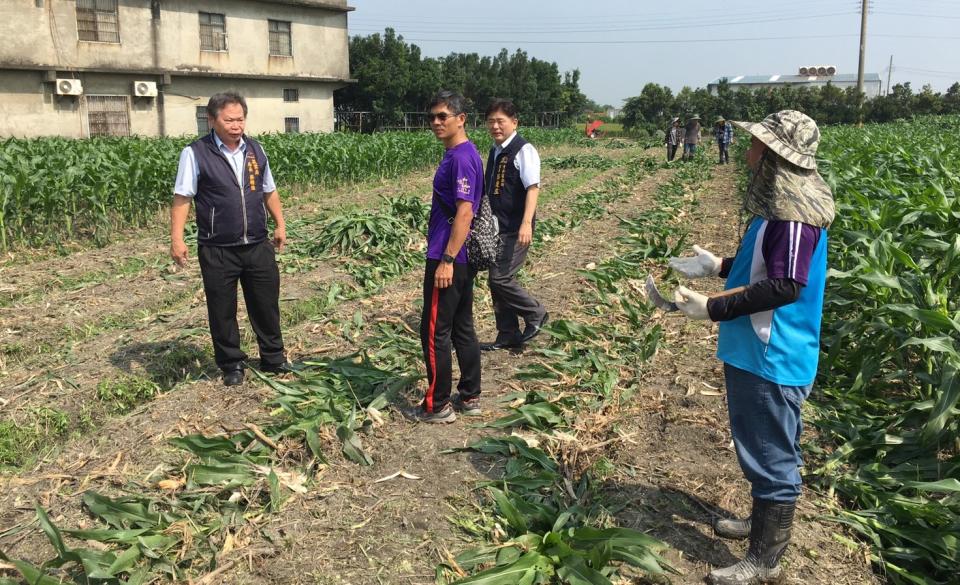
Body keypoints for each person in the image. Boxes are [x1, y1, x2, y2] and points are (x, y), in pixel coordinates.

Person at [667, 110, 835, 585]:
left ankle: (766, 560)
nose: (747, 153)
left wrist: (713, 309)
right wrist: (717, 265)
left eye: (756, 146)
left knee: (772, 453)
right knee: (761, 445)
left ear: (775, 156)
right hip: (755, 348)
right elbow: (765, 268)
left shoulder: (795, 215)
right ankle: (760, 526)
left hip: (772, 353)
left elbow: (784, 286)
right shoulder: (779, 206)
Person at [170, 91, 289, 386]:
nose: (236, 125)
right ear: (211, 120)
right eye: (229, 120)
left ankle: (273, 357)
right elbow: (183, 197)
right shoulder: (195, 153)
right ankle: (232, 364)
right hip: (217, 246)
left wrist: (280, 223)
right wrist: (177, 239)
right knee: (222, 309)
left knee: (266, 303)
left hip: (257, 243)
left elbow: (268, 190)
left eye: (240, 119)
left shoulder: (255, 150)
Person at [405, 90, 484, 423]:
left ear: (461, 119)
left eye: (443, 116)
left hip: (449, 255)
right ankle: (469, 395)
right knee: (462, 327)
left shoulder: (462, 157)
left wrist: (447, 260)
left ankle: (437, 404)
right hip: (458, 256)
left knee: (435, 330)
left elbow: (466, 212)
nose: (436, 122)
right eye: (432, 117)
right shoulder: (457, 154)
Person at [480, 99, 549, 352]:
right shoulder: (496, 150)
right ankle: (508, 333)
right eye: (491, 122)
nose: (495, 126)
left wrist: (526, 223)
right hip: (498, 227)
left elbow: (532, 187)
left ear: (514, 123)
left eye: (501, 121)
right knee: (495, 281)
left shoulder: (523, 150)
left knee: (500, 278)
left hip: (515, 226)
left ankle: (536, 313)